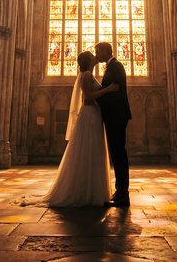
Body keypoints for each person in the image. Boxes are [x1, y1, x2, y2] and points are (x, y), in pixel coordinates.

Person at [43, 51, 119, 207]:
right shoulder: (87, 75)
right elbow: (88, 97)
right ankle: (87, 192)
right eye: (93, 56)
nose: (96, 57)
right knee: (90, 149)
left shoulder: (87, 74)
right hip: (90, 115)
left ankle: (90, 190)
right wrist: (108, 89)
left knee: (91, 150)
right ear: (88, 60)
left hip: (93, 114)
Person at [94, 41, 132, 207]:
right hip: (114, 115)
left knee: (119, 154)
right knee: (117, 154)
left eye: (98, 51)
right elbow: (111, 90)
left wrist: (95, 98)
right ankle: (120, 192)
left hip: (116, 115)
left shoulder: (116, 66)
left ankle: (122, 194)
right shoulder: (112, 67)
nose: (96, 55)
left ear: (106, 51)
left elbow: (115, 91)